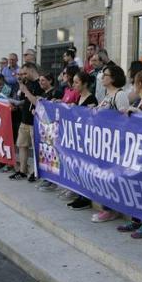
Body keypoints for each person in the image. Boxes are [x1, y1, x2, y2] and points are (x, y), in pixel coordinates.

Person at [90, 65, 131, 224]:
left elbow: (125, 118)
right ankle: (106, 207)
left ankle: (110, 209)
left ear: (113, 78)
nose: (102, 77)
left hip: (114, 144)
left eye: (105, 75)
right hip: (103, 143)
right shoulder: (107, 95)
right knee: (103, 175)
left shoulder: (120, 95)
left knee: (110, 176)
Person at [62, 71, 99, 210]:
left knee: (86, 168)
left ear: (85, 84)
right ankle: (80, 194)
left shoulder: (91, 99)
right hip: (78, 138)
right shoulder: (78, 98)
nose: (74, 85)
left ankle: (86, 198)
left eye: (77, 82)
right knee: (79, 167)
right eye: (74, 82)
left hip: (87, 139)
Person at [10, 62, 44, 181]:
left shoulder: (40, 83)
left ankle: (36, 172)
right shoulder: (27, 83)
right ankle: (22, 171)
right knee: (21, 145)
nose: (23, 76)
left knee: (36, 148)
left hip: (35, 121)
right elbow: (26, 100)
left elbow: (37, 102)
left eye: (25, 73)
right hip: (24, 119)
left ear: (31, 70)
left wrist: (26, 91)